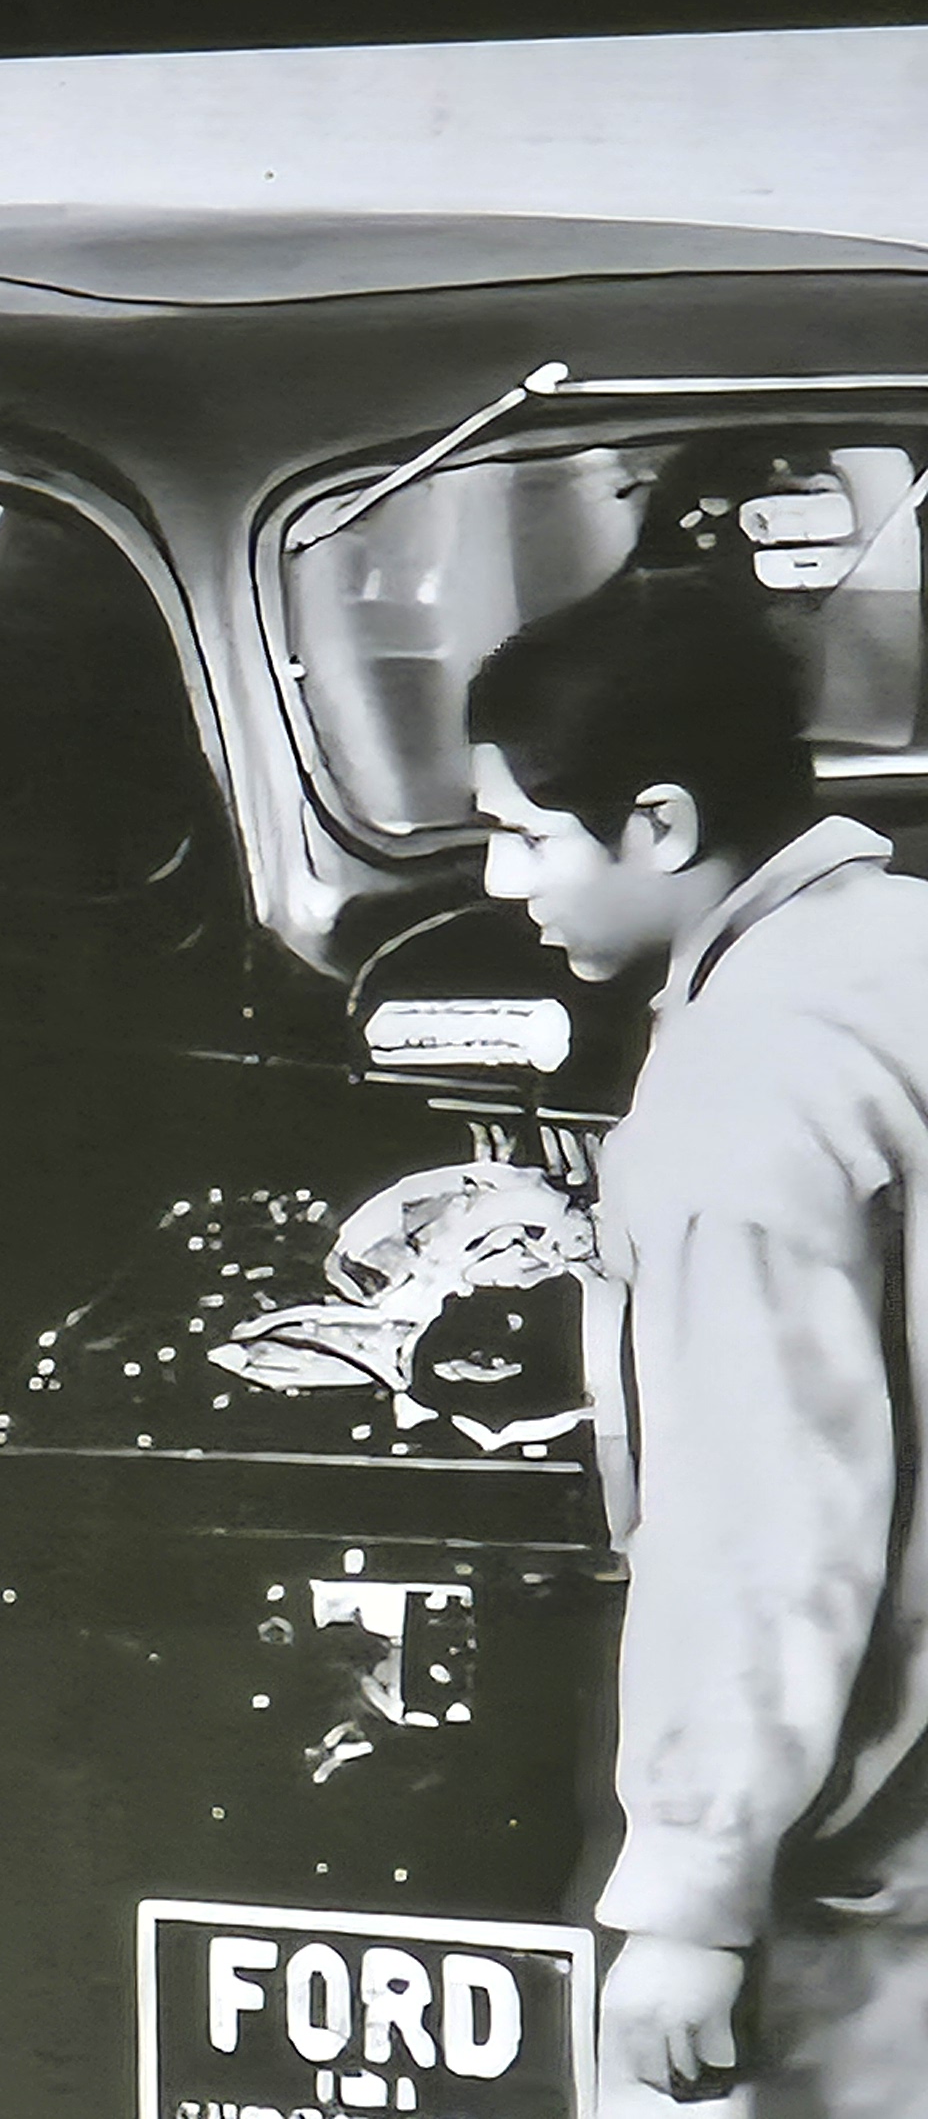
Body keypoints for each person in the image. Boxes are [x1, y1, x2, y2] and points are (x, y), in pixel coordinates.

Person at [461, 564, 928, 2117]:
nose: (499, 879)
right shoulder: (902, 948)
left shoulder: (745, 1080)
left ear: (657, 824)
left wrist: (689, 1898)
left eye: (526, 833)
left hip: (878, 1885)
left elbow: (765, 1522)